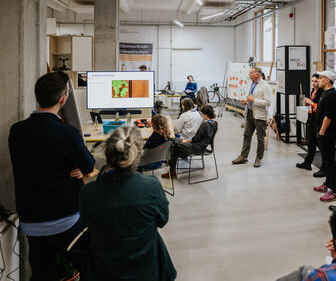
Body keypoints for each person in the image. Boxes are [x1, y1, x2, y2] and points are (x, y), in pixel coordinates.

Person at [8, 71, 95, 281]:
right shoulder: (66, 133)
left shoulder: (17, 131)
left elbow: (36, 163)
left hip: (31, 221)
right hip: (65, 220)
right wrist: (77, 168)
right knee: (89, 266)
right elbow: (89, 164)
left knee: (42, 273)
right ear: (64, 99)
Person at [79, 126, 177, 280]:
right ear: (138, 153)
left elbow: (85, 225)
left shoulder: (88, 192)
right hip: (145, 269)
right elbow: (161, 220)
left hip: (104, 270)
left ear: (105, 150)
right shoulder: (151, 187)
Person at [164, 105, 218, 179]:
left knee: (173, 146)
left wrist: (187, 140)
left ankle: (172, 171)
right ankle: (173, 165)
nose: (202, 116)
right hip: (202, 147)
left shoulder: (205, 124)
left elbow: (195, 139)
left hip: (195, 148)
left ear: (205, 114)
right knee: (176, 142)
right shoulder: (215, 124)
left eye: (202, 114)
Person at [232, 67, 271, 168]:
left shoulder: (265, 86)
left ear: (257, 75)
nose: (249, 74)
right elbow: (252, 98)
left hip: (259, 115)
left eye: (251, 73)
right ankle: (243, 156)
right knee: (247, 135)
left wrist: (253, 101)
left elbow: (267, 102)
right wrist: (247, 101)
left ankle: (259, 158)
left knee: (260, 138)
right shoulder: (253, 84)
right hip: (250, 113)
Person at [312, 71, 336, 202]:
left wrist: (322, 131)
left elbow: (329, 116)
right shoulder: (325, 93)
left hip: (328, 132)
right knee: (326, 159)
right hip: (323, 131)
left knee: (330, 161)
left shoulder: (332, 95)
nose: (319, 80)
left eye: (322, 78)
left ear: (328, 80)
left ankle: (333, 190)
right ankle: (327, 183)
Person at [296, 73, 325, 176]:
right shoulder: (313, 91)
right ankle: (307, 162)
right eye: (312, 81)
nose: (313, 83)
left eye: (316, 81)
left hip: (319, 120)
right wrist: (308, 102)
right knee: (311, 142)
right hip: (312, 118)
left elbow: (320, 107)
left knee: (321, 145)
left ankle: (324, 167)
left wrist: (311, 103)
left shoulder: (322, 92)